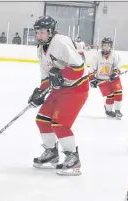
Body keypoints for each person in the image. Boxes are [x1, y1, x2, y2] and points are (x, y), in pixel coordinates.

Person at [28, 15, 89, 176]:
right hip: (59, 89)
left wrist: (61, 74)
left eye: (42, 32)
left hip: (77, 88)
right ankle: (51, 153)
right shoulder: (40, 49)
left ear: (50, 31)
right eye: (37, 32)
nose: (39, 36)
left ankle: (73, 158)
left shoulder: (61, 42)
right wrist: (40, 92)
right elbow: (46, 77)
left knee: (60, 124)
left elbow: (79, 69)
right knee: (42, 119)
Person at [88, 37, 124, 119]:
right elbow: (92, 69)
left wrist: (115, 73)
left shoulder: (115, 55)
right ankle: (108, 111)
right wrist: (92, 79)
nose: (106, 47)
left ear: (111, 46)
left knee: (118, 92)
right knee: (110, 96)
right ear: (102, 46)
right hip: (102, 80)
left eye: (108, 45)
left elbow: (118, 66)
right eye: (104, 45)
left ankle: (118, 111)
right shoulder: (97, 56)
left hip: (114, 78)